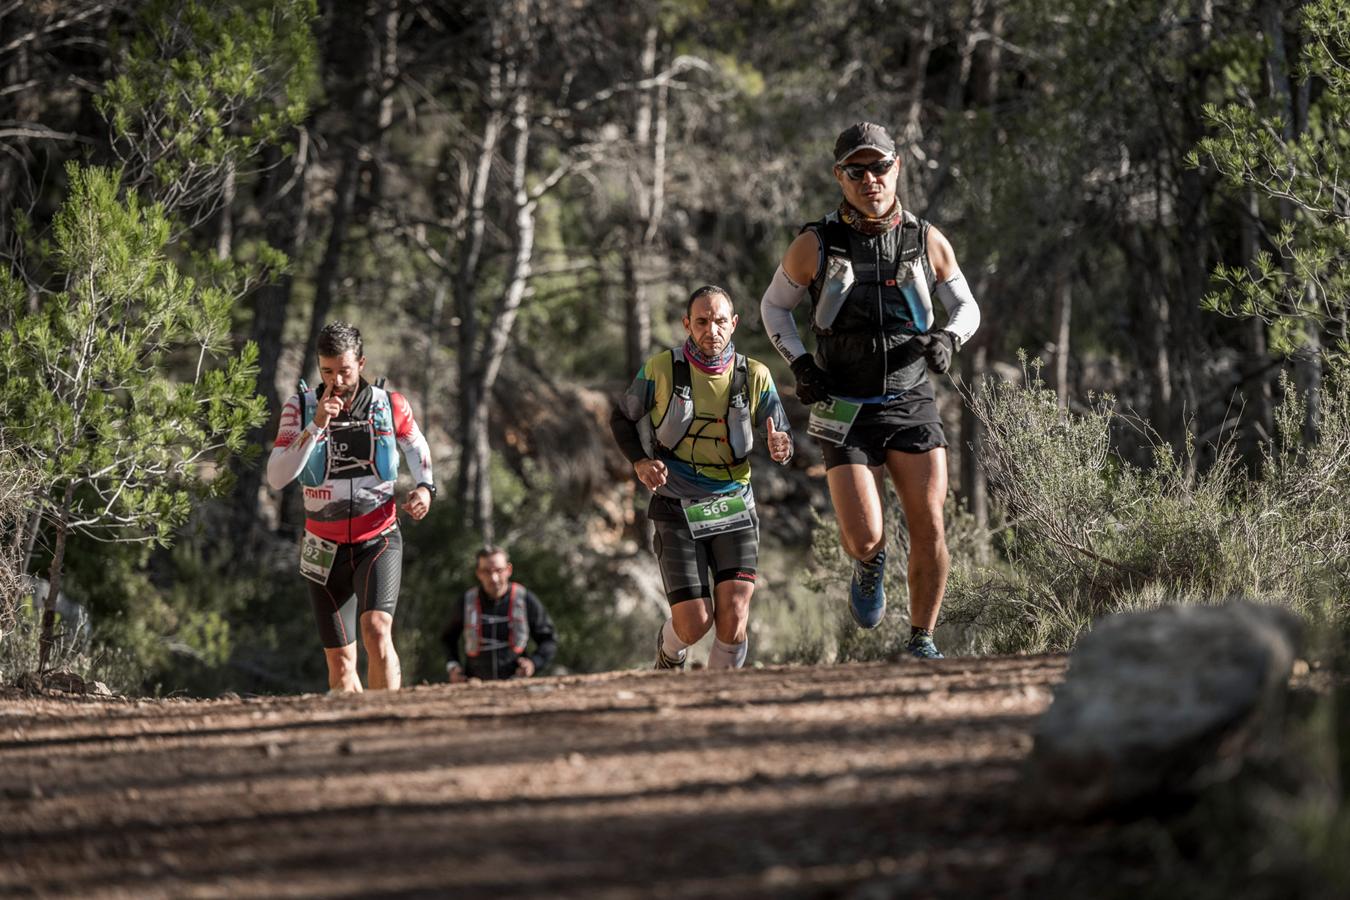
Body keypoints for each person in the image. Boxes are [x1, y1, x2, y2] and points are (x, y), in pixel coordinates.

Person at [759, 122, 981, 659]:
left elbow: (967, 307)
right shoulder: (815, 243)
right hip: (844, 405)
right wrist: (801, 363)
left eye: (879, 167)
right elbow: (774, 309)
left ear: (897, 167)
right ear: (840, 176)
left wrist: (950, 338)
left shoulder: (926, 239)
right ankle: (869, 563)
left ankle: (921, 638)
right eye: (856, 171)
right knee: (863, 537)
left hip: (911, 399)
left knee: (929, 525)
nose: (870, 179)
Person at [611, 285, 794, 671]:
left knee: (734, 616)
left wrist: (781, 445)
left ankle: (717, 702)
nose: (712, 330)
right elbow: (622, 418)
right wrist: (641, 462)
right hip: (675, 506)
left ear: (735, 324)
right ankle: (669, 652)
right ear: (687, 324)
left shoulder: (755, 375)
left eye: (720, 321)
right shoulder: (660, 369)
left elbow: (782, 433)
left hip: (734, 503)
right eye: (702, 321)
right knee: (695, 623)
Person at [266, 321, 435, 692]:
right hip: (321, 546)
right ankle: (358, 740)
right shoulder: (301, 406)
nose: (337, 380)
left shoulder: (389, 404)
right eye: (327, 371)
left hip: (377, 537)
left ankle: (387, 722)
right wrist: (315, 427)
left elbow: (416, 445)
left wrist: (425, 487)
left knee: (376, 630)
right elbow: (278, 476)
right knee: (341, 664)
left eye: (344, 370)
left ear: (361, 362)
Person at [441, 545, 558, 682]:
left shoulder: (524, 598)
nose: (494, 578)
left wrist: (533, 663)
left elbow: (549, 639)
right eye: (486, 571)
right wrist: (453, 666)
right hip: (475, 686)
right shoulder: (467, 601)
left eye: (499, 570)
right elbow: (448, 638)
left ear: (509, 570)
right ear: (478, 573)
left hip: (516, 684)